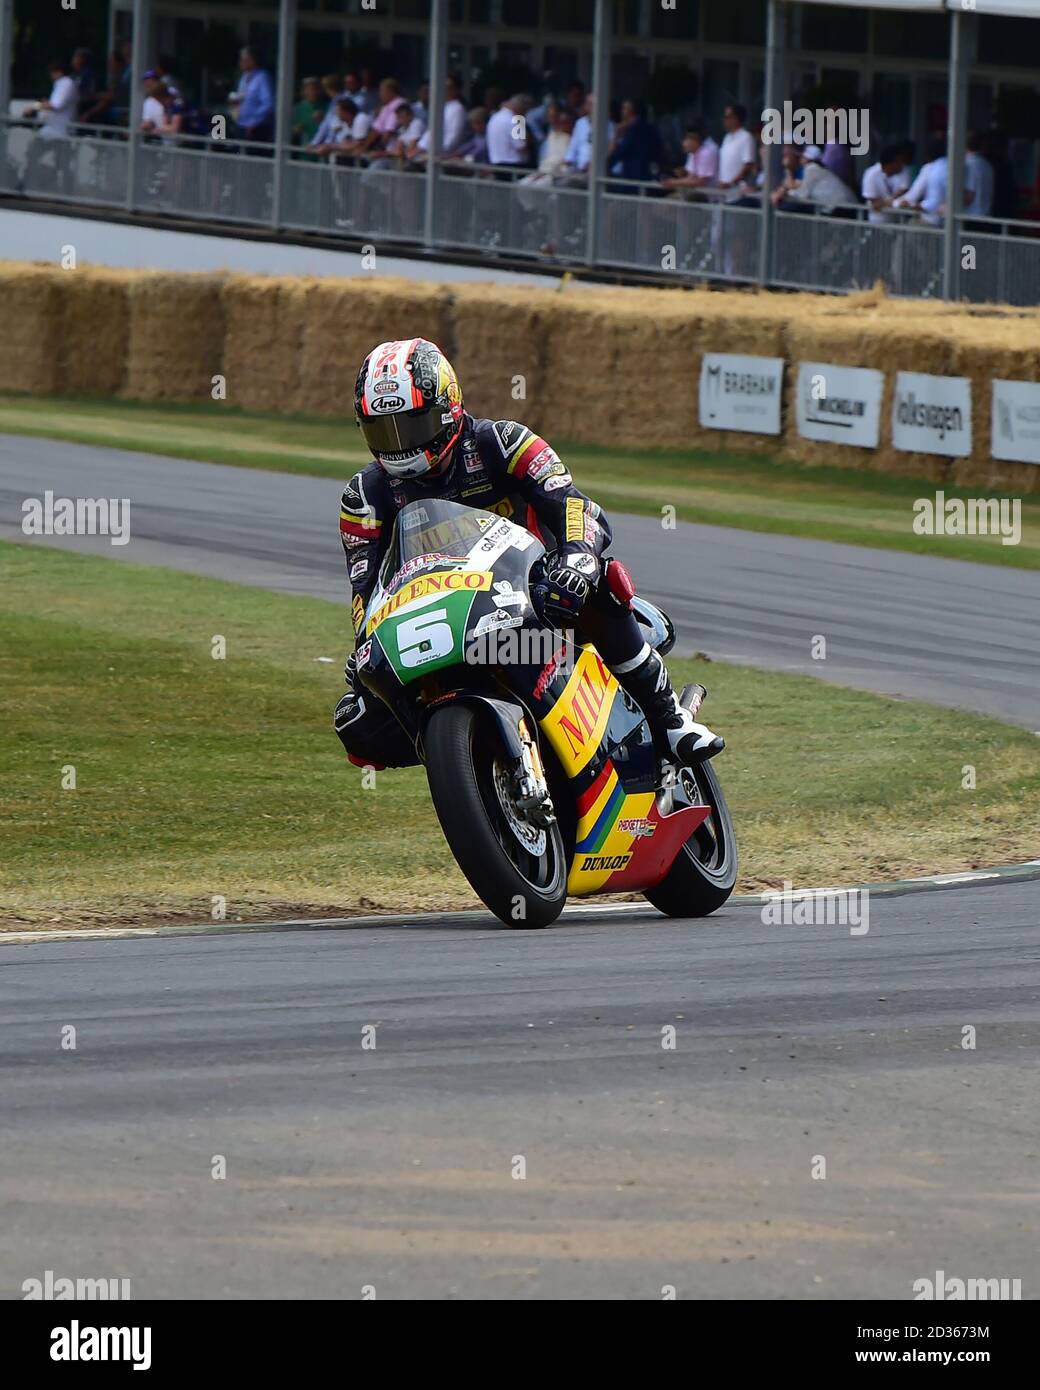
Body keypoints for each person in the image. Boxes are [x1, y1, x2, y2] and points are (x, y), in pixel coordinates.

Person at [333, 339, 724, 772]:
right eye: (383, 431)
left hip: (538, 594)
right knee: (358, 723)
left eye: (410, 425)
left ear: (448, 408)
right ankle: (470, 762)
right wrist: (366, 642)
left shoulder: (503, 442)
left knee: (606, 582)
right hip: (446, 617)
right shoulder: (365, 497)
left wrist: (578, 557)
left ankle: (670, 721)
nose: (399, 444)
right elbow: (365, 591)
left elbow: (573, 504)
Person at [775, 145, 858, 213]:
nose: (801, 159)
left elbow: (801, 195)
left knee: (789, 206)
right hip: (843, 207)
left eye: (803, 157)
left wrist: (783, 193)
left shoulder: (812, 169)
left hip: (843, 209)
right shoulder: (818, 170)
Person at [22, 56, 78, 140]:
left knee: (32, 150)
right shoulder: (62, 84)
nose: (51, 76)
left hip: (58, 131)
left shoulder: (65, 84)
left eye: (52, 72)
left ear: (59, 72)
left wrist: (34, 107)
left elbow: (55, 105)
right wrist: (46, 103)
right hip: (55, 129)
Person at [607, 98, 661, 183]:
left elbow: (620, 153)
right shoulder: (650, 128)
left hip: (634, 178)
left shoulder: (635, 130)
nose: (621, 111)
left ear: (631, 111)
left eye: (624, 108)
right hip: (646, 175)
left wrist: (616, 135)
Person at [232, 47, 274, 144]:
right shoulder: (244, 77)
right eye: (241, 59)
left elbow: (268, 104)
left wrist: (254, 122)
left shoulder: (262, 77)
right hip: (241, 125)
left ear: (252, 60)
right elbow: (242, 97)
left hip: (256, 128)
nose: (241, 62)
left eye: (244, 59)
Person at [661, 123, 719, 193]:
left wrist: (674, 182)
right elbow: (691, 177)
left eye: (686, 139)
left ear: (694, 139)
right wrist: (673, 180)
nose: (683, 143)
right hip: (699, 196)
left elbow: (700, 181)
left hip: (711, 200)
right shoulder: (694, 153)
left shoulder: (707, 152)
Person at [717, 104, 757, 201]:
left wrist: (731, 183)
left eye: (727, 117)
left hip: (738, 192)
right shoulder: (727, 137)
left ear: (736, 118)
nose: (724, 120)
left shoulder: (746, 137)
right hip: (724, 192)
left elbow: (748, 165)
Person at [861, 144, 908, 224]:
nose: (902, 164)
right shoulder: (871, 174)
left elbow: (905, 193)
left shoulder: (903, 172)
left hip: (898, 222)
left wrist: (888, 202)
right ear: (892, 163)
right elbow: (875, 204)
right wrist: (894, 200)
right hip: (878, 223)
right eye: (899, 161)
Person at [964, 131, 994, 221]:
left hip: (971, 217)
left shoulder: (969, 165)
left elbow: (969, 196)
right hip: (985, 216)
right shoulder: (987, 165)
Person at [292, 76, 327, 146]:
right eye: (309, 89)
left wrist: (323, 119)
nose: (312, 92)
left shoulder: (327, 106)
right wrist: (297, 129)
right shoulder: (298, 108)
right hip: (305, 148)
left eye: (315, 89)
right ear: (304, 91)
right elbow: (292, 131)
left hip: (323, 148)